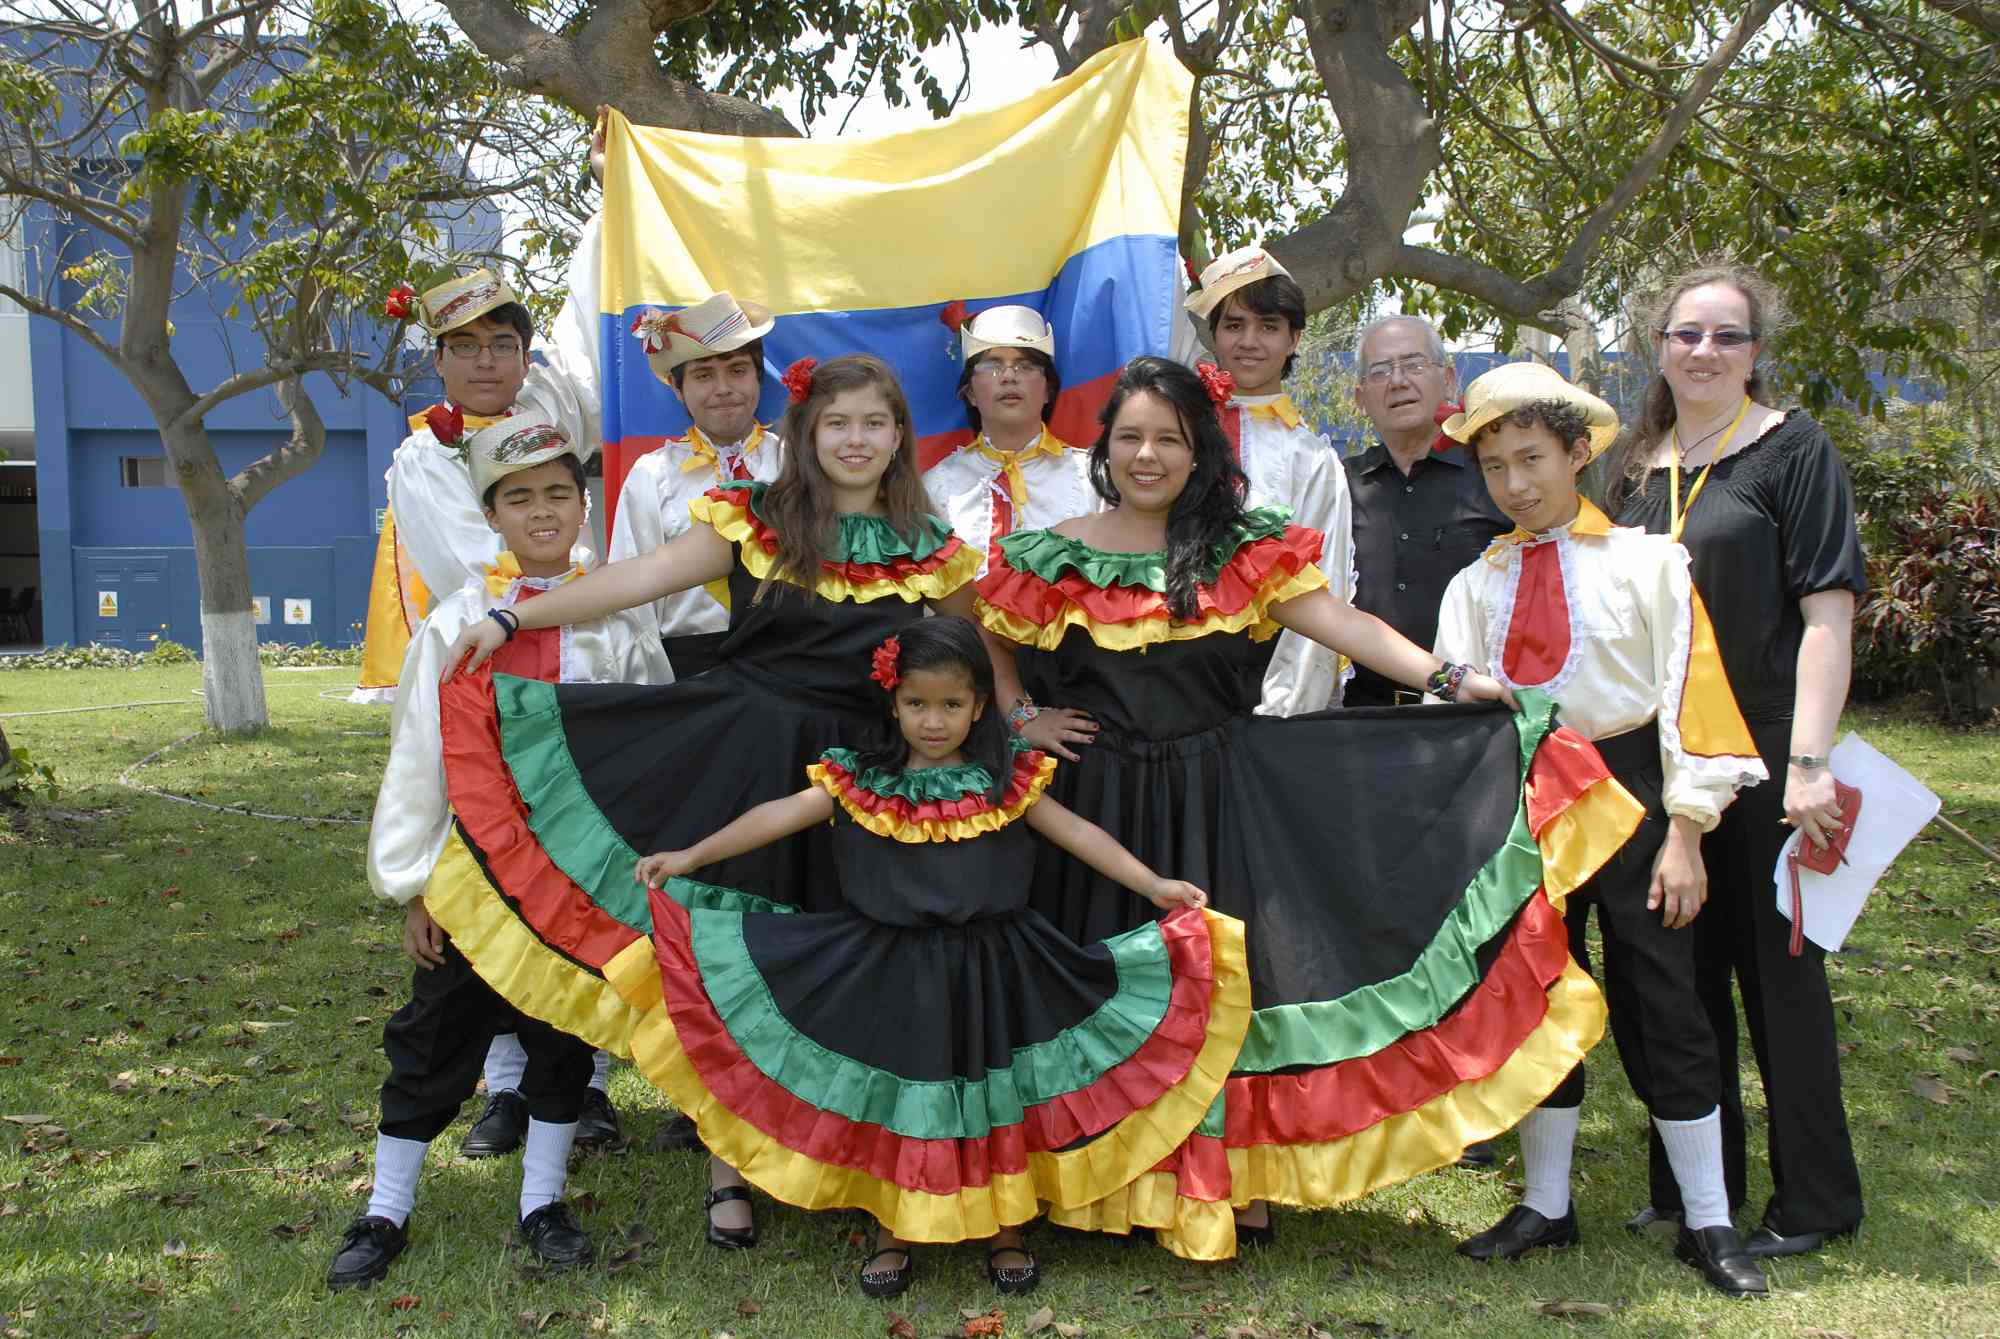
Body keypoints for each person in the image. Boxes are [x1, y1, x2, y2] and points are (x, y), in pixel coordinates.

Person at [975, 357, 1614, 1259]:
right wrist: (1022, 715)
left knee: (1225, 995)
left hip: (1219, 797)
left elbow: (1347, 624)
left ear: (1200, 451)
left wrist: (1450, 677)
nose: (1147, 455)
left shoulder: (1243, 550)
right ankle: (1097, 1174)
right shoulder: (1055, 549)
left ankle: (1228, 1179)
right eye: (1129, 437)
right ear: (1104, 448)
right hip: (1096, 803)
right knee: (1098, 986)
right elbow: (988, 637)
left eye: (1169, 438)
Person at [429, 354, 982, 1250]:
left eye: (873, 423)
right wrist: (514, 618)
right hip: (749, 757)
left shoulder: (931, 541)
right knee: (739, 954)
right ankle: (730, 1172)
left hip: (867, 774)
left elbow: (973, 643)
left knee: (854, 951)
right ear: (806, 432)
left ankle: (847, 1155)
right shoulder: (757, 519)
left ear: (898, 436)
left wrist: (1023, 714)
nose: (854, 439)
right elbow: (634, 577)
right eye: (836, 422)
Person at [622, 616, 1242, 1298]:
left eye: (951, 704)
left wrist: (1153, 883)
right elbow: (778, 814)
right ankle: (896, 1227)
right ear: (894, 702)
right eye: (918, 703)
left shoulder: (1008, 780)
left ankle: (1005, 1227)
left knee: (993, 1096)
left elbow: (1079, 834)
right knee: (903, 1098)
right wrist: (690, 855)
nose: (934, 720)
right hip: (888, 967)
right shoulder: (858, 780)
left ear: (979, 704)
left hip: (995, 966)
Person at [1431, 363, 1770, 1296]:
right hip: (1521, 803)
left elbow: (1685, 694)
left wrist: (1687, 829)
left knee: (1664, 993)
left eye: (1533, 458)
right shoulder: (1474, 583)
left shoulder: (1650, 562)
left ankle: (1708, 1218)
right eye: (1496, 466)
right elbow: (1455, 693)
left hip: (1628, 794)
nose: (1516, 483)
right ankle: (1548, 1200)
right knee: (1534, 992)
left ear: (1580, 452)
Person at [328, 411, 672, 1290]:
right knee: (433, 1035)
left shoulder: (619, 621)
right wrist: (413, 884)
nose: (543, 511)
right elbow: (421, 754)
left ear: (585, 504)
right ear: (494, 515)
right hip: (473, 878)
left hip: (576, 876)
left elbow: (653, 747)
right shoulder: (456, 621)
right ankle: (385, 1207)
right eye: (520, 498)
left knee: (562, 1035)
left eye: (559, 492)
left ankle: (542, 1201)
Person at [1607, 265, 1869, 1260]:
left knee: (1778, 978)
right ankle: (1690, 1187)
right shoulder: (1633, 464)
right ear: (1657, 346)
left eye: (1725, 337)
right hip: (1661, 756)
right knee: (1670, 973)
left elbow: (1824, 619)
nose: (1703, 352)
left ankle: (1812, 1199)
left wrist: (1806, 761)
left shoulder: (1792, 450)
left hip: (1761, 753)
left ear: (1754, 352)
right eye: (1686, 334)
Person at [377, 269, 625, 1159]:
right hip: (483, 670)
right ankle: (509, 1088)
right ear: (438, 358)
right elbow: (475, 562)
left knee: (576, 884)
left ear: (527, 355)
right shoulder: (423, 457)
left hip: (569, 658)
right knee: (492, 886)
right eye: (467, 347)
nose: (487, 363)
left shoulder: (552, 434)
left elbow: (556, 544)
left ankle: (583, 1084)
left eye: (504, 345)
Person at [1184, 247, 1356, 714]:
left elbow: (1323, 584)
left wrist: (1290, 708)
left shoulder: (1312, 459)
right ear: (1215, 335)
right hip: (1168, 667)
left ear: (1294, 338)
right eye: (1234, 325)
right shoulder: (1175, 434)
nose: (1249, 341)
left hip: (1265, 680)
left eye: (1269, 326)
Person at [611, 292, 785, 678]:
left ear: (759, 377)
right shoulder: (651, 475)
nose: (723, 388)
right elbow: (631, 600)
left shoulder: (793, 462)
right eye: (704, 375)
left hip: (788, 657)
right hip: (688, 666)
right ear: (677, 389)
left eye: (738, 370)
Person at [1343, 315, 1509, 708]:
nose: (1399, 381)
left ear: (1449, 379)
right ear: (1361, 399)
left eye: (1414, 365)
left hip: (1476, 713)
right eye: (1381, 371)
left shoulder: (1495, 476)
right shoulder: (1337, 485)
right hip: (1362, 718)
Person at [922, 305, 1096, 576]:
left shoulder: (1093, 478)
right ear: (970, 393)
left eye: (1025, 366)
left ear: (1048, 390)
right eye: (992, 365)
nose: (1009, 376)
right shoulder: (937, 487)